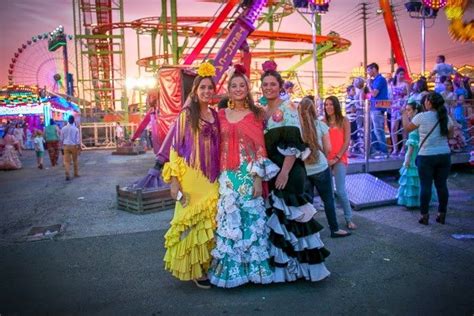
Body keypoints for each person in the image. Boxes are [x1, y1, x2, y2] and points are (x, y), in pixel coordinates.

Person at [208, 65, 279, 288]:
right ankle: (232, 272)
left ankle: (254, 271)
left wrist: (258, 177)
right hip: (227, 176)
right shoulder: (219, 115)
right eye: (234, 86)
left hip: (249, 175)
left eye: (242, 85)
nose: (238, 89)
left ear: (248, 88)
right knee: (230, 221)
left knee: (251, 221)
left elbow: (260, 148)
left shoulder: (256, 114)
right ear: (228, 90)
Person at [260, 60, 330, 283]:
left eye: (273, 84)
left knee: (294, 218)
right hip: (272, 172)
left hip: (288, 172)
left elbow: (294, 144)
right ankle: (287, 269)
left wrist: (284, 172)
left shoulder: (288, 108)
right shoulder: (262, 111)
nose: (269, 87)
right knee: (279, 221)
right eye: (265, 84)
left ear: (280, 86)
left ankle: (303, 269)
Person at [161, 62, 220, 289]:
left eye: (209, 88)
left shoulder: (215, 114)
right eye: (202, 88)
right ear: (195, 91)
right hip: (191, 176)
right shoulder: (187, 114)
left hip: (211, 176)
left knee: (211, 221)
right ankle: (195, 269)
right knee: (194, 223)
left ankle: (206, 263)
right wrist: (174, 180)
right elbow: (175, 148)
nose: (206, 91)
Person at [300, 96, 352, 236]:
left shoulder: (297, 127)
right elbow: (327, 148)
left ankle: (307, 231)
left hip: (306, 169)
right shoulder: (321, 125)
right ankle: (334, 229)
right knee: (328, 199)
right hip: (322, 167)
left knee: (307, 200)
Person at [402, 92, 454, 225]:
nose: (424, 102)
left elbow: (407, 129)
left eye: (426, 100)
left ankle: (424, 216)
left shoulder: (421, 117)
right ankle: (442, 214)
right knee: (442, 186)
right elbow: (450, 136)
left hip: (426, 156)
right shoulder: (445, 117)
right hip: (444, 155)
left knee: (426, 186)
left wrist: (403, 114)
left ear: (429, 103)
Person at [323, 96, 357, 230]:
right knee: (329, 193)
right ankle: (334, 222)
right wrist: (325, 159)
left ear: (336, 105)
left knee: (341, 191)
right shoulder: (323, 122)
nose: (328, 107)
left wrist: (336, 158)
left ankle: (349, 218)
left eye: (331, 104)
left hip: (339, 158)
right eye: (326, 105)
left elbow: (346, 142)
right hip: (326, 160)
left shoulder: (344, 121)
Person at [397, 102, 424, 208]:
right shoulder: (418, 121)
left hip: (413, 154)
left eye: (409, 110)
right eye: (406, 110)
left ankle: (412, 201)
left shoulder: (415, 123)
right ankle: (418, 200)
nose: (407, 112)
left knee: (410, 176)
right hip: (419, 152)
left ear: (415, 110)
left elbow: (412, 143)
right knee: (417, 177)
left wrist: (407, 158)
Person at [366, 63, 389, 156]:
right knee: (373, 130)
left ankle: (384, 151)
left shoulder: (380, 79)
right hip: (373, 107)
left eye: (368, 70)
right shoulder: (375, 80)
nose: (367, 72)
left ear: (374, 69)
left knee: (378, 130)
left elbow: (374, 94)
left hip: (378, 108)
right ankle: (377, 150)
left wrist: (368, 85)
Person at [390, 67, 410, 156]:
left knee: (403, 127)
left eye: (403, 74)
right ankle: (395, 148)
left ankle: (403, 148)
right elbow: (389, 96)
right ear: (396, 74)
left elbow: (408, 96)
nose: (402, 76)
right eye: (400, 74)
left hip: (403, 107)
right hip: (394, 107)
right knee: (393, 127)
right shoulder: (391, 84)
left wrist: (404, 105)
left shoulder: (406, 84)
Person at [60, 115, 81, 181]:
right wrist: (79, 147)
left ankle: (67, 173)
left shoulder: (63, 128)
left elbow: (61, 139)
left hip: (66, 146)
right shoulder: (76, 129)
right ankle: (75, 173)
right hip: (74, 146)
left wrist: (61, 147)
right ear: (73, 121)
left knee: (66, 161)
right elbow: (77, 139)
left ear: (68, 121)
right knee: (75, 160)